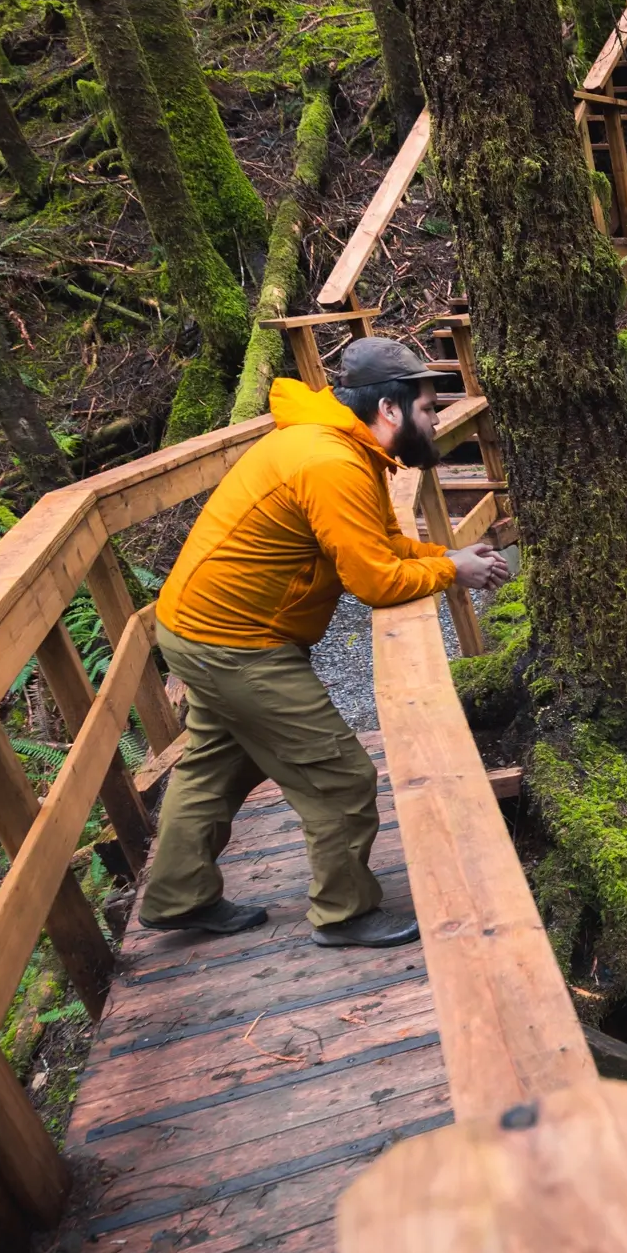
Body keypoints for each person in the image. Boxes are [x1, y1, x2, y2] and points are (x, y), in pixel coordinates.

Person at [135, 337, 511, 947]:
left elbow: (382, 546)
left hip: (198, 629)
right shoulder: (330, 463)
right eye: (426, 407)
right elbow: (376, 581)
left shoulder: (346, 448)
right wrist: (451, 571)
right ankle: (345, 914)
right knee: (339, 778)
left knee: (216, 764)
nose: (436, 420)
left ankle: (178, 895)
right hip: (236, 643)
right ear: (389, 410)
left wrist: (444, 554)